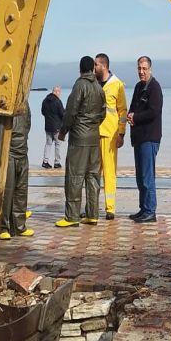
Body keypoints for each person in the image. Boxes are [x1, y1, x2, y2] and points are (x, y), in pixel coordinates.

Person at [56, 56, 105, 228]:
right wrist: (93, 126)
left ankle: (72, 217)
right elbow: (103, 113)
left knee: (74, 176)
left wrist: (63, 131)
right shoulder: (99, 87)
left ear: (80, 69)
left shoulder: (79, 85)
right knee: (93, 176)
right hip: (94, 137)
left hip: (79, 138)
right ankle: (92, 214)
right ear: (93, 68)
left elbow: (70, 112)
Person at [127, 56, 163, 223]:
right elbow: (133, 107)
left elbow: (154, 112)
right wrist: (130, 116)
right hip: (139, 137)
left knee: (148, 177)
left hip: (150, 138)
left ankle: (150, 211)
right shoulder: (138, 86)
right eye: (139, 69)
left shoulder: (154, 87)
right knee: (140, 177)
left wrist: (136, 117)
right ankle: (143, 209)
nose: (141, 72)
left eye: (144, 68)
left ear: (150, 69)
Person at [93, 53, 127, 220]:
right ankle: (91, 207)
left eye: (96, 65)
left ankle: (110, 208)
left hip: (110, 134)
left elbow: (122, 111)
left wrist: (121, 133)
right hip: (93, 133)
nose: (94, 68)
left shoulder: (117, 85)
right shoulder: (93, 83)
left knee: (109, 172)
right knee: (92, 173)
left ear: (104, 66)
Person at [0, 99, 33, 239]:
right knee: (7, 191)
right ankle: (3, 227)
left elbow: (28, 125)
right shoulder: (5, 100)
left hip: (22, 150)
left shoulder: (25, 103)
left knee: (21, 190)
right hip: (10, 152)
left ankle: (19, 225)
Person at [40, 86, 64, 169]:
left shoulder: (45, 100)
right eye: (59, 92)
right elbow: (62, 114)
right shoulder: (58, 101)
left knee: (48, 144)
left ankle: (45, 161)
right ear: (56, 92)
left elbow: (42, 112)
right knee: (58, 145)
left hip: (48, 126)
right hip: (57, 127)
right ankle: (57, 162)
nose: (60, 94)